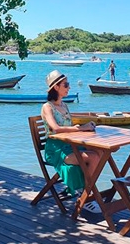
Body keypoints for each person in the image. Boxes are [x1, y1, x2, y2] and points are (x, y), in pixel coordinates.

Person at [40, 70, 102, 212]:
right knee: (93, 157)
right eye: (66, 85)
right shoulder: (47, 107)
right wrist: (81, 128)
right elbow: (55, 128)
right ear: (56, 87)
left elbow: (69, 129)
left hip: (70, 145)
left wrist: (85, 129)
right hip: (56, 150)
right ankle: (86, 196)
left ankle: (87, 191)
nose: (69, 88)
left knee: (99, 152)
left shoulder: (64, 105)